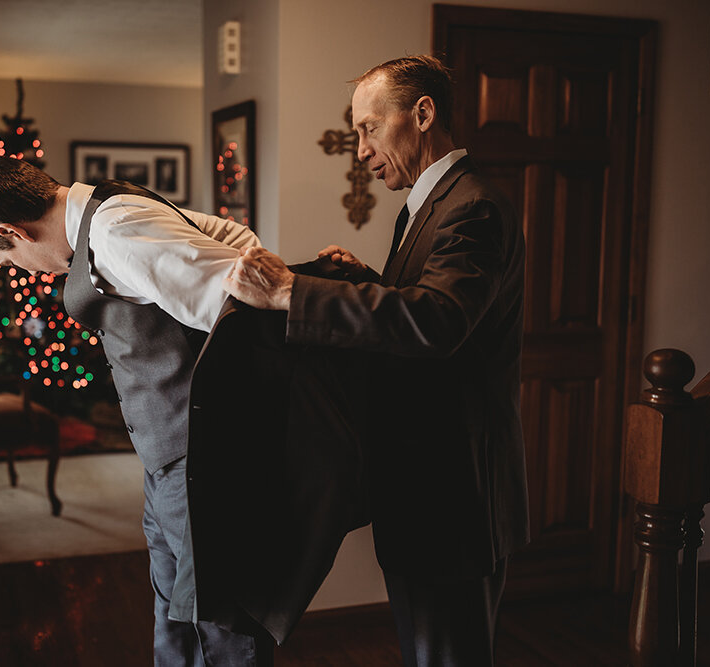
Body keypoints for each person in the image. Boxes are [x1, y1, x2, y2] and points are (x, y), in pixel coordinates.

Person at [223, 55, 530, 667]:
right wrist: (370, 279)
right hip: (423, 488)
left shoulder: (474, 207)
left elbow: (439, 322)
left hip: (455, 496)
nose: (360, 150)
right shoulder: (426, 203)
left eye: (368, 128)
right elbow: (427, 309)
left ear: (422, 114)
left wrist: (292, 292)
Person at [0, 155, 273, 666]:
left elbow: (241, 307)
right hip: (165, 455)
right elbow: (231, 236)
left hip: (199, 455)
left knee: (220, 623)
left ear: (13, 230)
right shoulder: (110, 205)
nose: (22, 273)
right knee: (173, 611)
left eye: (9, 260)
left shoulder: (116, 230)